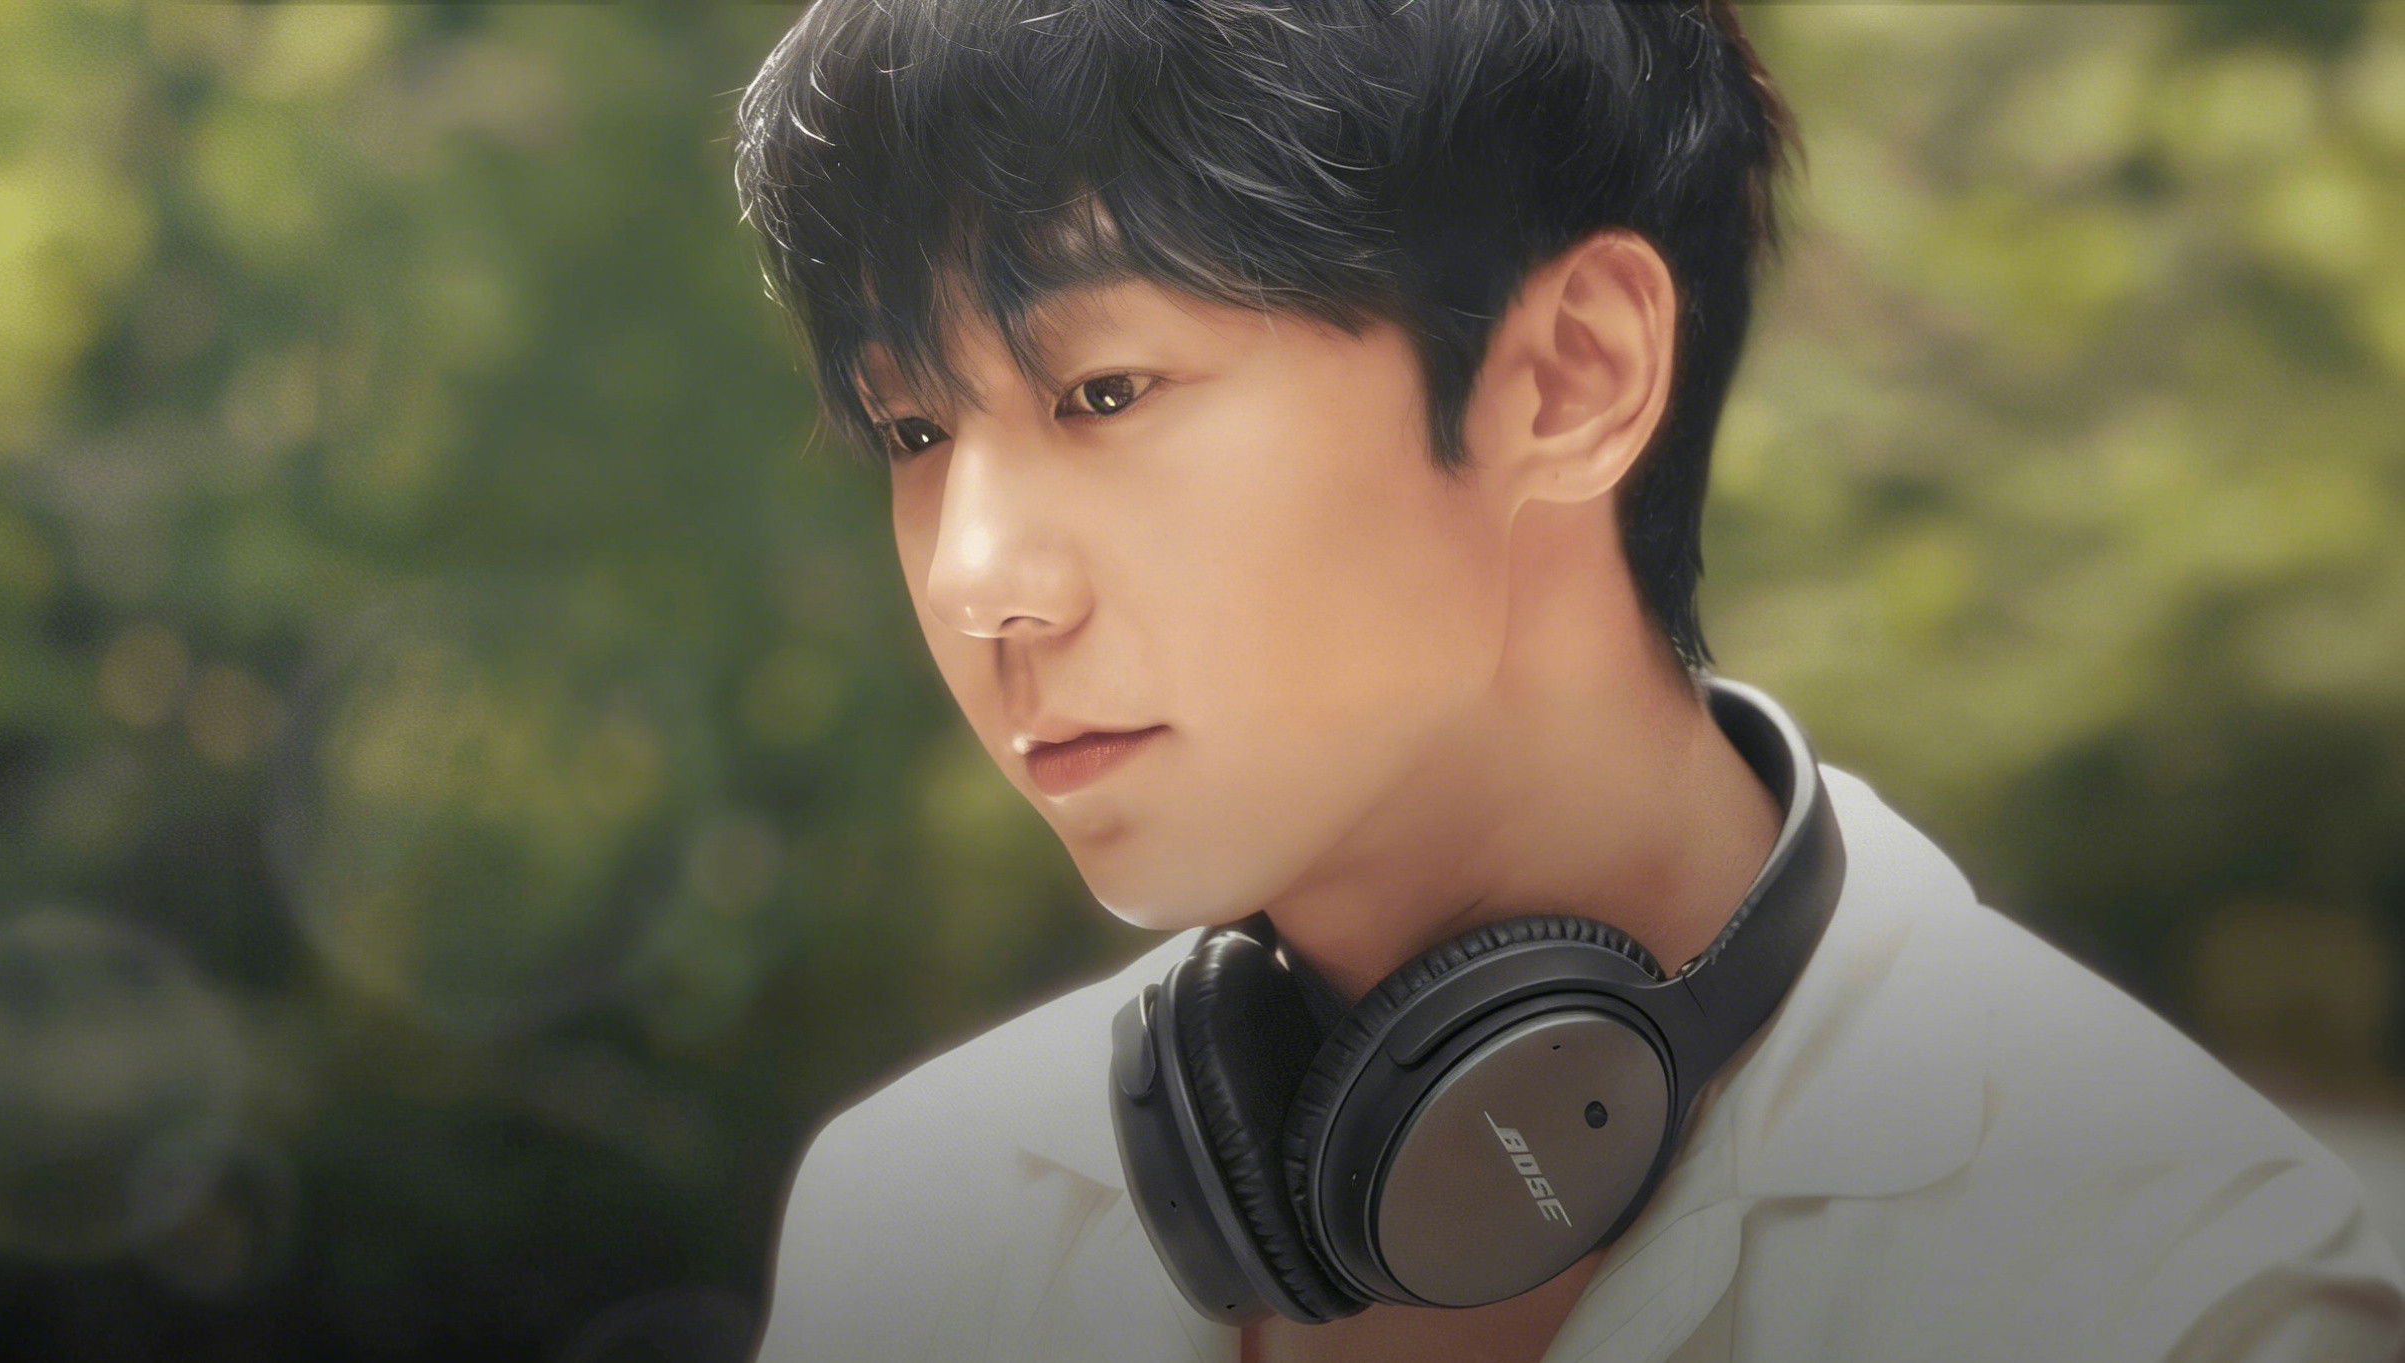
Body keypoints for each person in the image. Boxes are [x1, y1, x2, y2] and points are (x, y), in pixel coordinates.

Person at [729, 2, 2405, 1359]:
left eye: (1103, 392)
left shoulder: (2180, 1292)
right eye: (912, 431)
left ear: (1573, 374)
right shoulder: (921, 1225)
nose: (976, 581)